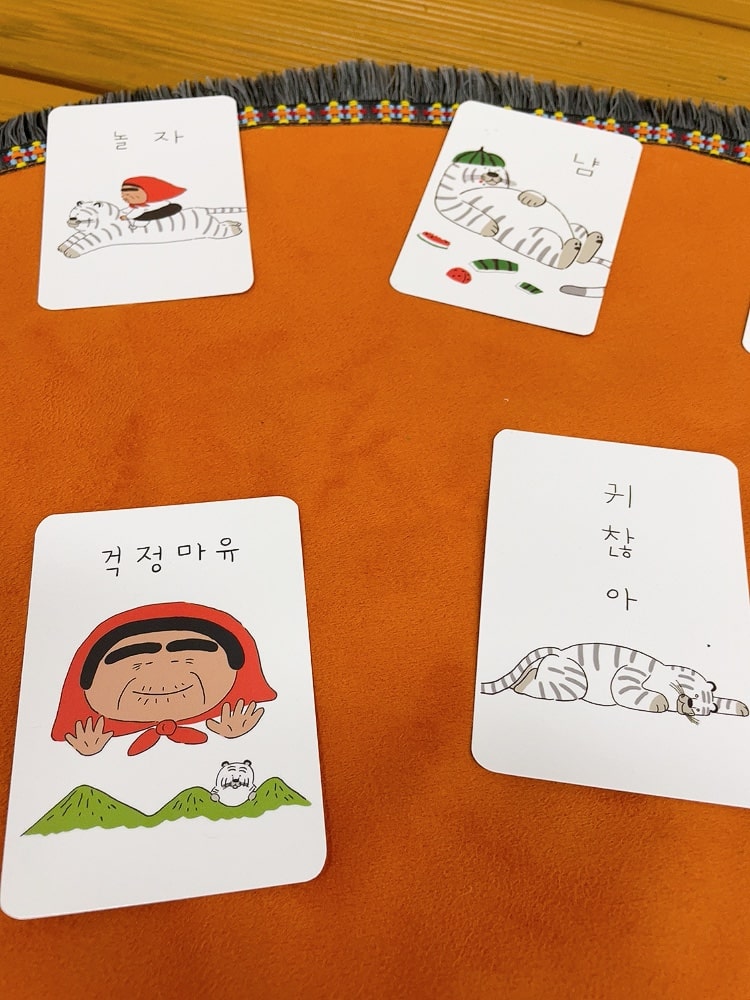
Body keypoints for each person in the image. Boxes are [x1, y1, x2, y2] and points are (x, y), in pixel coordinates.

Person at [51, 602, 277, 756]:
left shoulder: (226, 721)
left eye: (187, 657)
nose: (162, 667)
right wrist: (89, 753)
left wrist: (236, 739)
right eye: (136, 662)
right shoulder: (98, 736)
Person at [119, 176, 186, 225]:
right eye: (123, 194)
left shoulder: (145, 206)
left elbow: (136, 212)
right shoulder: (139, 205)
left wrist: (126, 217)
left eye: (128, 194)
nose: (124, 197)